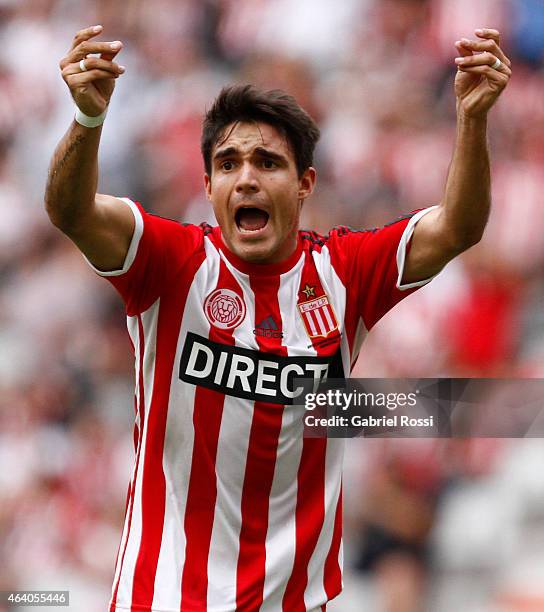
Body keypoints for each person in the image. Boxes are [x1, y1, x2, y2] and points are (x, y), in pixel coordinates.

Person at [44, 24, 511, 612]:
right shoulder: (171, 263)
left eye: (268, 162)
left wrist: (472, 119)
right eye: (229, 162)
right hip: (163, 598)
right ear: (209, 184)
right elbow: (71, 212)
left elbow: (458, 227)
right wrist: (87, 122)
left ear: (304, 184)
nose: (247, 177)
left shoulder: (345, 274)